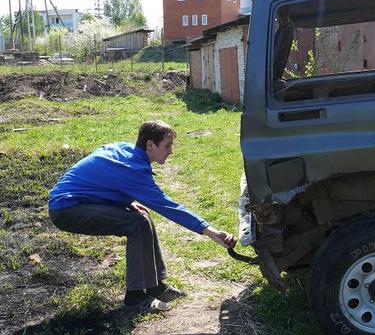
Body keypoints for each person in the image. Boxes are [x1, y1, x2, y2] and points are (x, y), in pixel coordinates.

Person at [48, 120, 236, 312]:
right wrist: (209, 230)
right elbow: (168, 206)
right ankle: (135, 298)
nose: (171, 151)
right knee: (136, 224)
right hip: (66, 209)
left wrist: (127, 201)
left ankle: (155, 285)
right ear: (150, 145)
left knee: (142, 216)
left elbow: (102, 176)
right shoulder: (132, 169)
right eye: (167, 145)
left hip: (77, 201)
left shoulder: (125, 149)